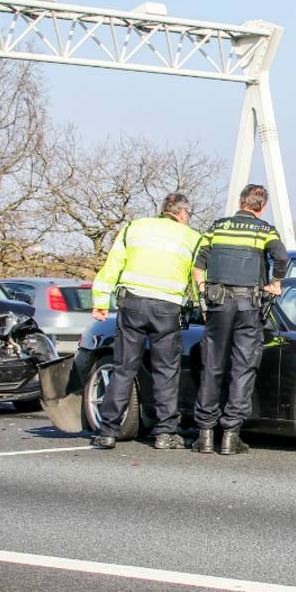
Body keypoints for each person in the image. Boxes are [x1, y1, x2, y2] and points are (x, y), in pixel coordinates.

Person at [89, 193, 204, 450]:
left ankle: (108, 432)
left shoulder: (134, 228)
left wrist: (100, 301)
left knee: (123, 368)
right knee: (166, 371)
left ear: (164, 210)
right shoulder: (192, 237)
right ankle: (165, 433)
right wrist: (198, 306)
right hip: (166, 309)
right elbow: (198, 276)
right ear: (183, 214)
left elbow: (112, 265)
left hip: (132, 305)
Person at [191, 184, 289, 455]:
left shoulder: (216, 227)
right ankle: (231, 436)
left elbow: (198, 264)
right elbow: (282, 258)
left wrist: (202, 293)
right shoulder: (264, 230)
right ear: (263, 206)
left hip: (218, 304)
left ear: (240, 202)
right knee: (243, 367)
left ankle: (206, 435)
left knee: (212, 364)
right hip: (249, 305)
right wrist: (275, 283)